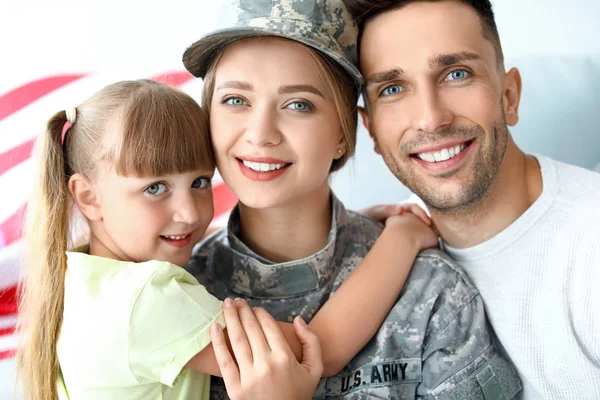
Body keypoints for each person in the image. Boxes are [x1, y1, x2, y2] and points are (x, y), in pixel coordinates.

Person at [15, 78, 439, 400]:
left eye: (199, 181)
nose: (190, 212)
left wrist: (354, 221)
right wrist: (401, 238)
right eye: (155, 188)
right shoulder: (148, 298)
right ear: (87, 196)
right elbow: (317, 349)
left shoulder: (82, 277)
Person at [183, 0, 522, 398]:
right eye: (236, 100)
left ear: (344, 133)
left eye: (299, 104)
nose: (260, 134)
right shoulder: (176, 292)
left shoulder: (430, 292)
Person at [342, 0, 600, 398]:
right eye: (392, 89)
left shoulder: (590, 248)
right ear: (371, 129)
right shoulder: (380, 251)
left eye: (456, 74)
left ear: (510, 95)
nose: (431, 117)